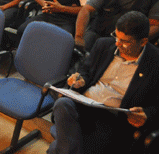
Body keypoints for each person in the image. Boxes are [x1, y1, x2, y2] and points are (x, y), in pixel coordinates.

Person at [49, 11, 159, 154]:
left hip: (112, 117)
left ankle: (61, 149)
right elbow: (86, 70)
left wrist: (147, 114)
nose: (117, 43)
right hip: (85, 102)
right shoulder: (104, 45)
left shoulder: (155, 63)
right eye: (116, 36)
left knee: (65, 147)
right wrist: (81, 79)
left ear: (143, 42)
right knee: (62, 104)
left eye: (125, 41)